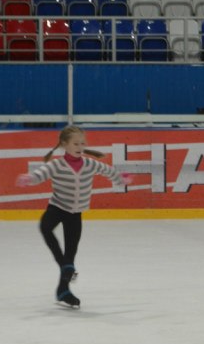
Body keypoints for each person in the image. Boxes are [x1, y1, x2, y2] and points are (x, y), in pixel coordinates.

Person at [17, 125, 127, 309]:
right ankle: (64, 265)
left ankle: (63, 290)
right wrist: (29, 178)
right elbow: (41, 173)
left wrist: (120, 178)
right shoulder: (57, 165)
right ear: (64, 145)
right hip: (57, 207)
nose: (80, 146)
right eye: (76, 143)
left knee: (71, 251)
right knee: (45, 227)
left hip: (76, 213)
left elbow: (108, 170)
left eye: (82, 143)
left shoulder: (90, 164)